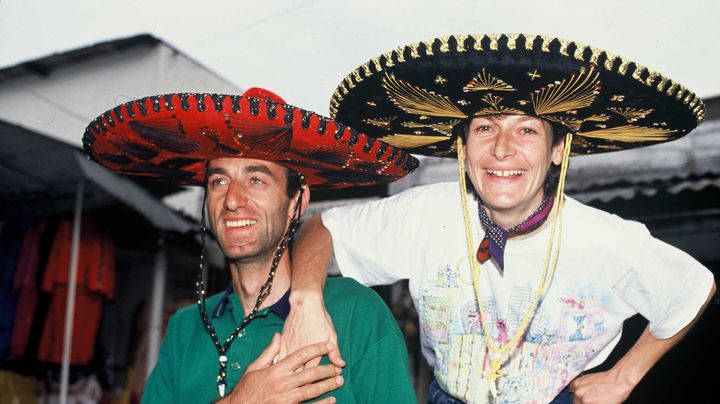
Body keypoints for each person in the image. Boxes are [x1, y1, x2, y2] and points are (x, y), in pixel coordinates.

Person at [281, 34, 717, 403]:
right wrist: (305, 302)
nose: (502, 149)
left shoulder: (606, 239)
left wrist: (625, 376)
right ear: (463, 147)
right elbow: (322, 228)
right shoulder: (427, 213)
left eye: (526, 130)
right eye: (485, 128)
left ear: (557, 151)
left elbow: (693, 289)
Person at [82, 88, 419, 403]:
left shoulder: (356, 311)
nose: (232, 200)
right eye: (219, 181)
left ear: (296, 203)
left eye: (256, 180)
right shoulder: (185, 328)